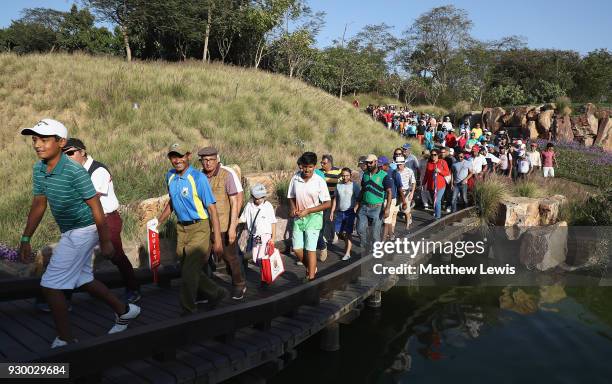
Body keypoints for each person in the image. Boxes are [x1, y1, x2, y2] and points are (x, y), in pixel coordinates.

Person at [19, 119, 140, 348]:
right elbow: (38, 204)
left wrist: (105, 241)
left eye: (44, 139)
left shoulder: (75, 171)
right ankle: (124, 310)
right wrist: (26, 237)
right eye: (35, 139)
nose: (37, 144)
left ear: (61, 142)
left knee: (51, 285)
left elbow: (96, 206)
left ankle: (66, 339)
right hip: (70, 231)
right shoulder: (39, 168)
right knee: (82, 279)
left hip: (85, 230)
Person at [61, 138, 141, 303]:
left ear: (82, 152)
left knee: (115, 255)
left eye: (70, 153)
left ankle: (133, 289)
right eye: (64, 154)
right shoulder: (73, 171)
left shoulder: (98, 170)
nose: (67, 157)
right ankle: (64, 297)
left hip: (107, 219)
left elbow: (90, 197)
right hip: (87, 220)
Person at [156, 143, 226, 314]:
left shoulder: (198, 178)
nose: (177, 160)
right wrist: (157, 222)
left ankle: (188, 309)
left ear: (187, 156)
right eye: (174, 157)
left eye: (180, 156)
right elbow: (172, 201)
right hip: (181, 228)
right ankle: (217, 293)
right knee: (188, 269)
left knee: (188, 273)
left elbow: (212, 210)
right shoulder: (170, 176)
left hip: (199, 228)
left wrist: (217, 240)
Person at [198, 147, 247, 300]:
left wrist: (233, 227)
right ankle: (206, 290)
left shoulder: (226, 175)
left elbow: (235, 201)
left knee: (230, 257)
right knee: (202, 259)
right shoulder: (199, 176)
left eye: (211, 159)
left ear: (217, 159)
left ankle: (239, 284)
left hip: (224, 225)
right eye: (204, 160)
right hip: (205, 226)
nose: (208, 163)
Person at [287, 152, 331, 281]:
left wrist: (309, 210)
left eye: (310, 167)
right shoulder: (295, 178)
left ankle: (311, 279)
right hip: (299, 217)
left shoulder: (319, 181)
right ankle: (311, 268)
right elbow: (291, 196)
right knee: (296, 249)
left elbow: (327, 203)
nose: (307, 169)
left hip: (314, 217)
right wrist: (293, 208)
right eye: (305, 166)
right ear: (301, 166)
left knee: (310, 249)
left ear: (314, 166)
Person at [354, 154, 392, 250]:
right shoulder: (365, 174)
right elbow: (363, 190)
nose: (369, 164)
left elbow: (389, 192)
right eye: (367, 163)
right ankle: (366, 245)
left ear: (376, 162)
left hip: (377, 208)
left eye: (371, 162)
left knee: (375, 235)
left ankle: (376, 253)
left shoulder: (384, 176)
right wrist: (357, 204)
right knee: (360, 230)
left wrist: (387, 208)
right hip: (364, 206)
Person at [239, 184, 276, 266]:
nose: (259, 200)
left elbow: (273, 222)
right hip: (256, 236)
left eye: (261, 197)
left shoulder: (268, 206)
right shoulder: (249, 205)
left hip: (265, 235)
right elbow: (243, 218)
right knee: (256, 255)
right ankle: (263, 271)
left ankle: (265, 275)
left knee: (262, 256)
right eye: (257, 198)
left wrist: (273, 238)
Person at [330, 168, 360, 260]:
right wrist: (332, 211)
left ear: (350, 176)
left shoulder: (354, 186)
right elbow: (335, 199)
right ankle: (347, 245)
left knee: (348, 233)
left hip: (350, 212)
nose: (345, 177)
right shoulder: (338, 186)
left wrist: (355, 208)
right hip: (340, 212)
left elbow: (359, 198)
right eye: (343, 175)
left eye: (347, 175)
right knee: (338, 232)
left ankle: (347, 253)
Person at [317, 154, 341, 261]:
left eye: (324, 163)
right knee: (323, 220)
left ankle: (331, 235)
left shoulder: (338, 172)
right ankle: (325, 239)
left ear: (330, 163)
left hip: (333, 200)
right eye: (321, 163)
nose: (322, 164)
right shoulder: (319, 172)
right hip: (322, 201)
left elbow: (342, 184)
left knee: (329, 218)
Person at [379, 156, 407, 241]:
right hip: (380, 199)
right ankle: (391, 236)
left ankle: (382, 243)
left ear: (386, 165)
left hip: (391, 199)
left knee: (386, 221)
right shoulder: (379, 173)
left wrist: (404, 202)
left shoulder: (395, 173)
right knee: (388, 219)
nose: (379, 167)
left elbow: (400, 188)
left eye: (381, 165)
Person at [423, 149, 450, 220]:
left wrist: (440, 171)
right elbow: (426, 174)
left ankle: (438, 217)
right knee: (434, 201)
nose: (433, 156)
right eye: (432, 155)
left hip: (441, 186)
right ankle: (436, 211)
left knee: (437, 200)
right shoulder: (429, 163)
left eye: (435, 155)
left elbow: (447, 173)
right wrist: (423, 183)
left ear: (438, 155)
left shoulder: (442, 162)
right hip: (431, 186)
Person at [395, 156, 416, 228]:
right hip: (397, 192)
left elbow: (413, 182)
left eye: (400, 164)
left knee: (406, 210)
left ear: (404, 163)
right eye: (397, 164)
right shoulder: (395, 171)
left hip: (406, 192)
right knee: (396, 210)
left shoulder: (409, 171)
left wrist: (412, 193)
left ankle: (407, 226)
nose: (399, 165)